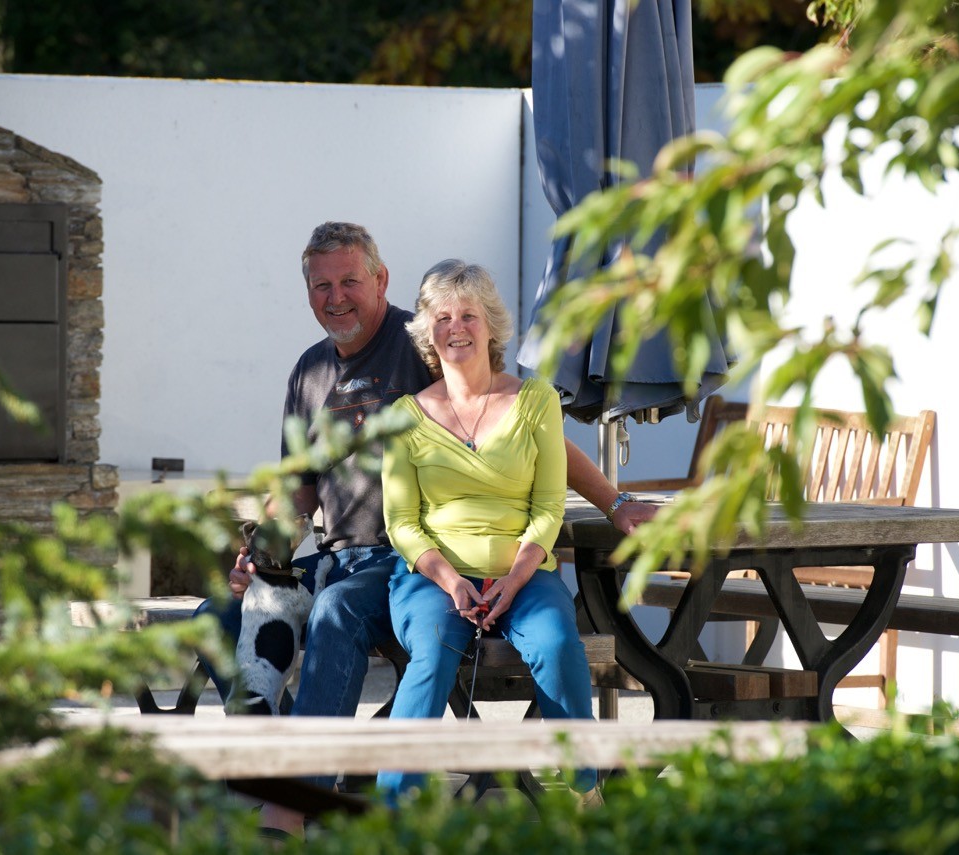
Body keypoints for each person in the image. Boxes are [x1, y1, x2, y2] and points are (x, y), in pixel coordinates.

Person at [199, 222, 653, 838]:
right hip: (341, 555)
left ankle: (297, 797)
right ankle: (280, 759)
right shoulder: (308, 372)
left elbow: (527, 424)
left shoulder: (430, 338)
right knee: (221, 615)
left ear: (381, 280)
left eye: (350, 281)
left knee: (337, 614)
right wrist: (261, 557)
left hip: (399, 558)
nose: (336, 297)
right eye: (321, 285)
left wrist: (613, 500)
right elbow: (301, 490)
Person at [375, 259, 600, 804]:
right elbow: (401, 523)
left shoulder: (536, 402)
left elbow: (549, 505)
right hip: (434, 579)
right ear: (428, 331)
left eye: (469, 315)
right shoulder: (403, 416)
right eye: (444, 316)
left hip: (523, 571)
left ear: (491, 325)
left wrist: (517, 577)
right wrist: (453, 583)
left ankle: (583, 790)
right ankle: (393, 808)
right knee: (429, 654)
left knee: (557, 643)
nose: (457, 327)